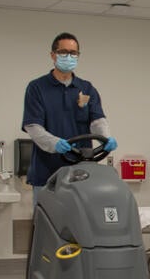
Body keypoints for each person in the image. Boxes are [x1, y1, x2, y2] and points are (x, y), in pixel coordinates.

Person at [22, 32, 116, 200]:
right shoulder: (37, 87)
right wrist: (55, 143)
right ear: (53, 55)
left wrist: (107, 138)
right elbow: (33, 127)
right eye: (63, 52)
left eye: (73, 53)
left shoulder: (86, 88)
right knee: (47, 221)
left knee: (79, 221)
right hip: (47, 174)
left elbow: (97, 121)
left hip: (81, 173)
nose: (69, 57)